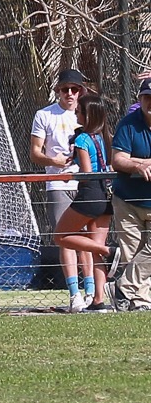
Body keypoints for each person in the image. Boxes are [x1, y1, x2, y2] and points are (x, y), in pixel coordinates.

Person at [30, 68, 89, 311]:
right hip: (58, 182)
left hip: (84, 183)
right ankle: (74, 294)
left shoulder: (87, 115)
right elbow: (35, 153)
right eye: (65, 89)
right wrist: (54, 162)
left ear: (81, 92)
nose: (70, 94)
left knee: (87, 238)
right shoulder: (44, 115)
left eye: (75, 90)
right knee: (65, 238)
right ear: (58, 91)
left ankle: (92, 291)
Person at [53, 93, 113, 311]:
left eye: (78, 111)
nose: (76, 113)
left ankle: (109, 251)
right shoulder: (103, 137)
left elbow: (87, 172)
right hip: (107, 195)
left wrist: (73, 172)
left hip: (90, 193)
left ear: (88, 115)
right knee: (94, 251)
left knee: (60, 236)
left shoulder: (81, 139)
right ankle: (99, 301)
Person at [107, 80, 151, 311]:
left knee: (149, 253)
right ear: (140, 99)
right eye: (147, 97)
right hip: (128, 201)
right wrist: (138, 165)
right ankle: (139, 302)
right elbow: (117, 160)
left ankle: (121, 287)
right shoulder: (128, 125)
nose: (150, 102)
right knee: (131, 252)